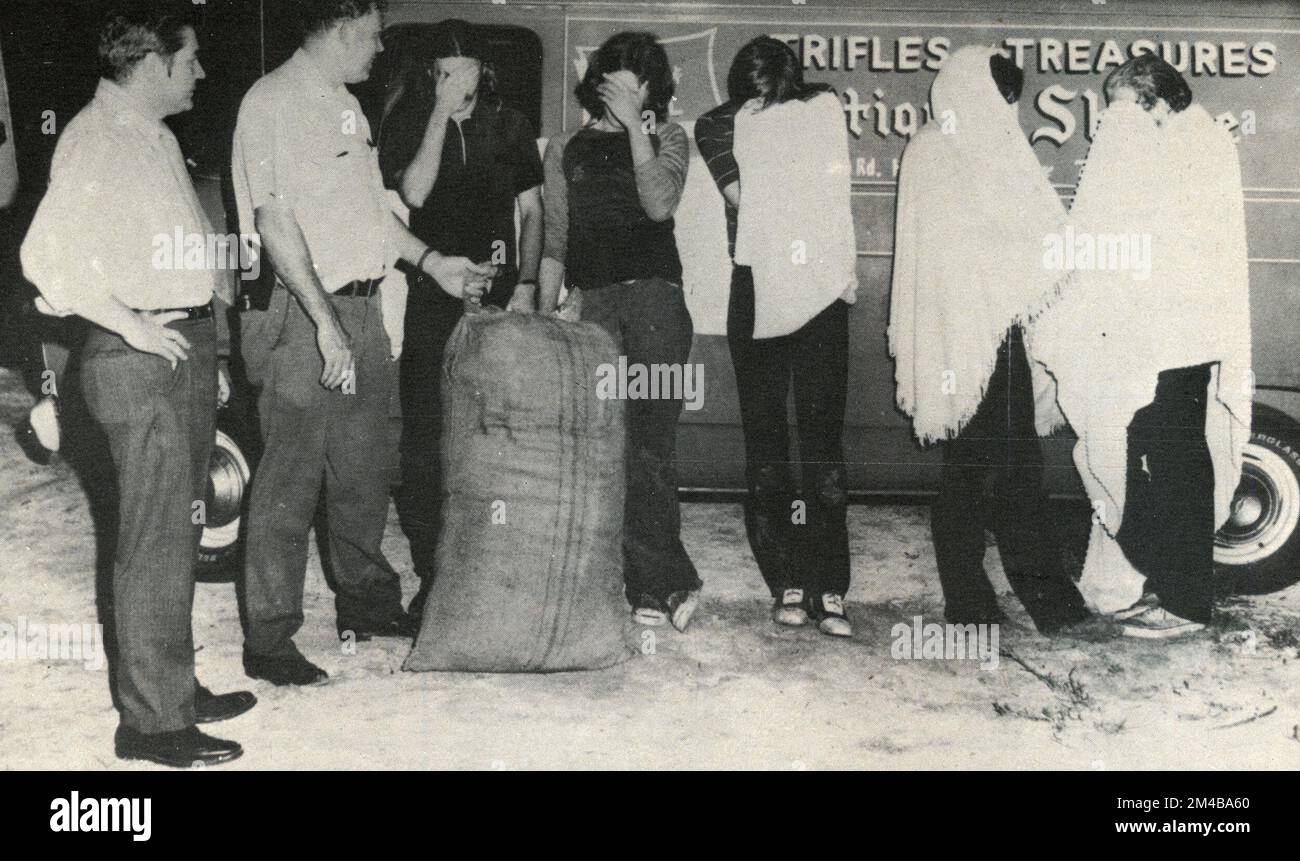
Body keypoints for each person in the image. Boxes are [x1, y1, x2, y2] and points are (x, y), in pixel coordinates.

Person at [20, 2, 254, 767]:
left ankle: (172, 687)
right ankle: (152, 724)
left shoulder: (147, 134)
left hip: (176, 347)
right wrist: (128, 321)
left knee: (178, 529)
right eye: (190, 62)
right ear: (152, 64)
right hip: (140, 359)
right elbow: (45, 259)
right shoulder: (97, 138)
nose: (201, 73)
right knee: (153, 542)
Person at [231, 0, 492, 686]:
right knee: (289, 481)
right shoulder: (273, 101)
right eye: (374, 37)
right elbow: (274, 220)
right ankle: (270, 637)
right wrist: (323, 322)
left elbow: (375, 213)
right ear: (343, 29)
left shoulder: (345, 104)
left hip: (364, 309)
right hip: (303, 315)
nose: (380, 51)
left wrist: (431, 261)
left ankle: (367, 601)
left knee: (363, 472)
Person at [1030, 54, 1251, 638]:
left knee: (1176, 472)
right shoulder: (1190, 140)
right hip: (1172, 340)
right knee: (1162, 470)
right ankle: (1169, 590)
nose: (1112, 125)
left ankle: (1185, 605)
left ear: (1156, 102)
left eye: (1123, 110)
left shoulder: (1187, 147)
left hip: (1178, 344)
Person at [888, 45, 1089, 634]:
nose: (1008, 110)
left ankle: (1047, 596)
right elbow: (953, 257)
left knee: (1020, 466)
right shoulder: (932, 151)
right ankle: (969, 604)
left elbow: (1037, 235)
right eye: (1000, 97)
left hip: (1002, 337)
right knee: (971, 472)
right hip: (959, 340)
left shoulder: (998, 149)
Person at [377, 19, 544, 620]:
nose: (459, 81)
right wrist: (439, 118)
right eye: (446, 73)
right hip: (433, 293)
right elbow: (415, 195)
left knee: (496, 435)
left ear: (483, 70)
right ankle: (435, 571)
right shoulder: (412, 120)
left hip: (497, 297)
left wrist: (525, 284)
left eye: (468, 70)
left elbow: (532, 210)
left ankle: (495, 566)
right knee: (427, 440)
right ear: (433, 76)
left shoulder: (511, 124)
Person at [537, 31, 701, 631]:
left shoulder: (669, 138)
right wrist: (544, 313)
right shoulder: (564, 148)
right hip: (595, 311)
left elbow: (659, 205)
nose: (620, 97)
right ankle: (655, 578)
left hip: (656, 304)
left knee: (651, 446)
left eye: (635, 89)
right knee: (605, 447)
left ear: (653, 92)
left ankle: (658, 584)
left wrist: (637, 127)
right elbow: (554, 241)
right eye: (612, 84)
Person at [695, 37, 857, 637]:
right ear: (743, 91)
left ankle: (832, 586)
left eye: (781, 96)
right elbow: (756, 200)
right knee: (767, 446)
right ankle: (786, 579)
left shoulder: (820, 108)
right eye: (760, 98)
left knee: (823, 444)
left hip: (819, 292)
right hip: (758, 288)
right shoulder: (715, 127)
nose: (771, 107)